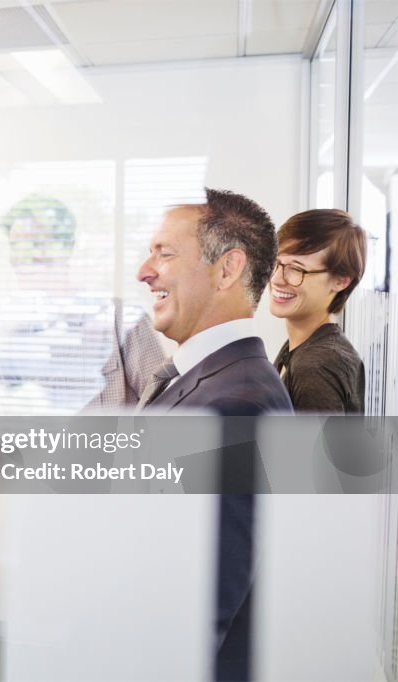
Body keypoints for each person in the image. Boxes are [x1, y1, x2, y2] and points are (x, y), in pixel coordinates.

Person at [135, 189, 292, 682]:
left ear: (227, 270)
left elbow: (199, 614)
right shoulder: (211, 381)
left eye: (165, 253)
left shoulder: (232, 407)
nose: (144, 270)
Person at [0, 193, 164, 412]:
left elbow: (163, 410)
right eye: (16, 245)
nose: (23, 255)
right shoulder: (16, 332)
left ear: (68, 246)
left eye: (36, 242)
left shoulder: (122, 322)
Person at [268, 209, 367, 413]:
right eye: (276, 263)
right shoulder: (302, 347)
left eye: (296, 269)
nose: (277, 278)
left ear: (341, 280)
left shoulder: (317, 364)